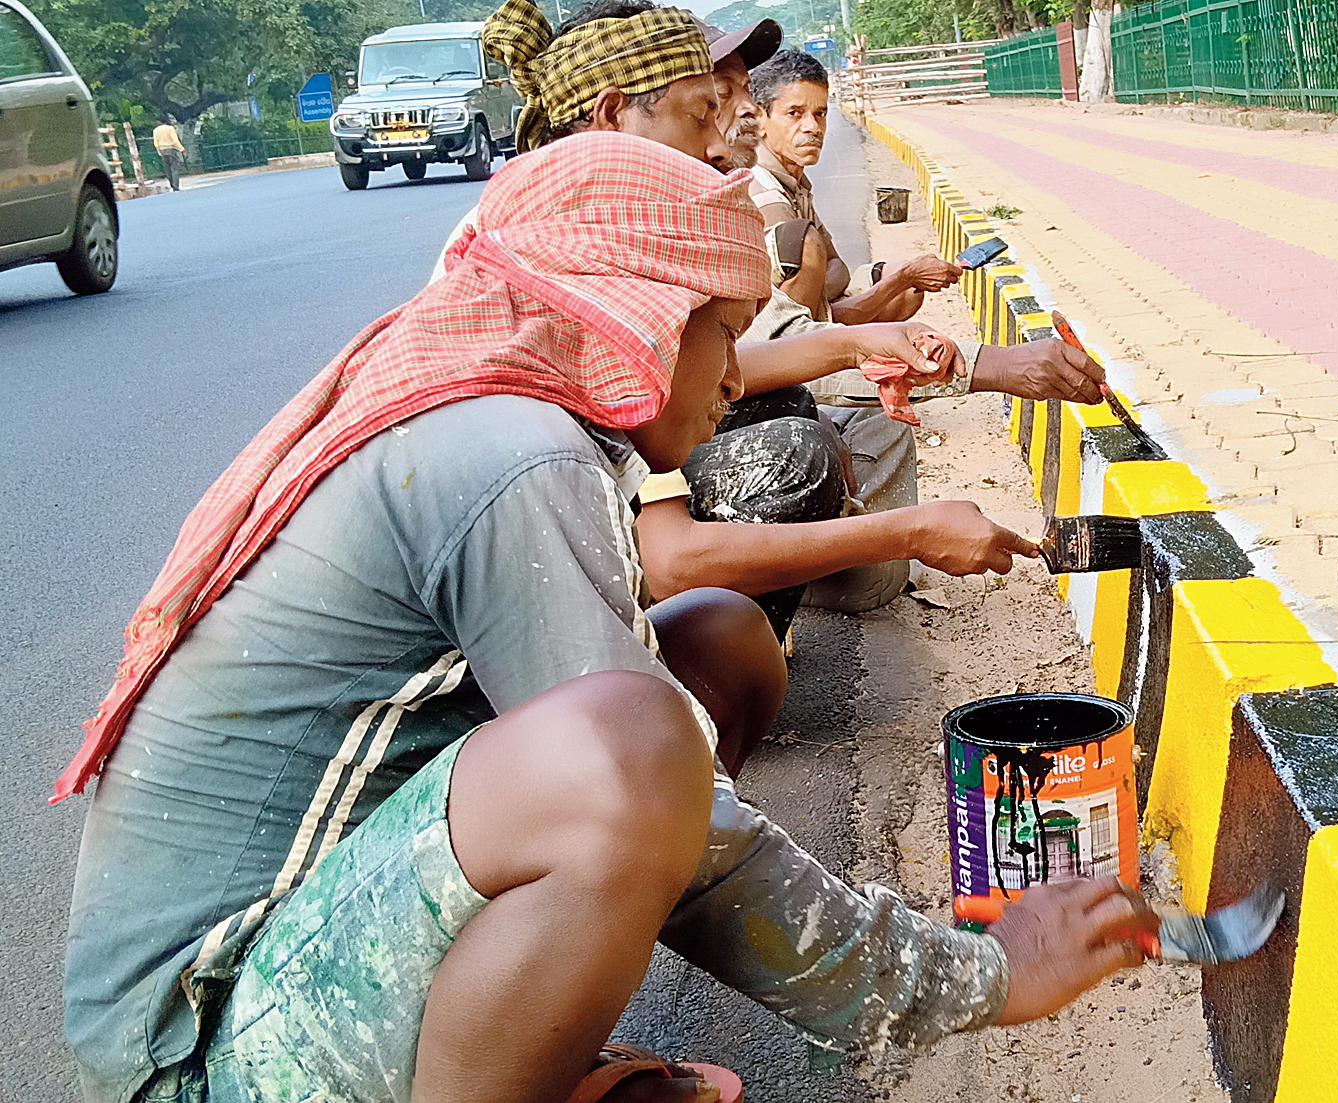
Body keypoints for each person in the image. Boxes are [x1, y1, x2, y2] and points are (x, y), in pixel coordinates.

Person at [62, 130, 1151, 1103]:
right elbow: (659, 796)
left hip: (296, 949)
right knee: (628, 748)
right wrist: (975, 974)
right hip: (202, 1045)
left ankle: (526, 1034)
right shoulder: (512, 458)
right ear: (634, 322)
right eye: (717, 334)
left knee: (705, 647)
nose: (735, 374)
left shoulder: (500, 417)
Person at [462, 0, 1111, 637]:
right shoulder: (582, 257)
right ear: (610, 116)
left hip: (588, 528)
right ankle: (701, 650)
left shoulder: (606, 227)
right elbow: (669, 547)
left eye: (735, 100)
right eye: (707, 107)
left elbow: (743, 357)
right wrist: (909, 526)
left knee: (807, 422)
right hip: (544, 588)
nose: (725, 136)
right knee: (795, 460)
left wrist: (863, 339)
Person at [748, 49, 963, 325]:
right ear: (759, 120)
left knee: (908, 292)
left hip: (809, 310)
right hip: (772, 336)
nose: (812, 127)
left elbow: (838, 266)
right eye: (794, 113)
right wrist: (903, 276)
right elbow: (796, 316)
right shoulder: (765, 193)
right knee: (901, 282)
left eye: (820, 113)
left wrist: (818, 292)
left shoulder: (795, 181)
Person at [152, 115, 186, 191]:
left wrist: (159, 152)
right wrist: (182, 150)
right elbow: (175, 141)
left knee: (167, 168)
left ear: (160, 122)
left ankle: (171, 183)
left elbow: (156, 143)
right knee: (175, 168)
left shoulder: (156, 130)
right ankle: (175, 185)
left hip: (162, 150)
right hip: (171, 149)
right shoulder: (170, 128)